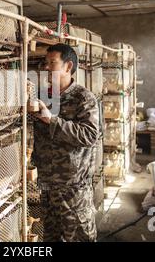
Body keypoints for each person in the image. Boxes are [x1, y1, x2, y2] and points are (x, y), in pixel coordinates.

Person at [31, 43, 100, 242]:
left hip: (73, 190)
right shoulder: (44, 96)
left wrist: (51, 120)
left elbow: (89, 135)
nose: (46, 67)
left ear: (68, 66)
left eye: (52, 63)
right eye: (46, 63)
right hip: (47, 186)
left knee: (79, 237)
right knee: (51, 237)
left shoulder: (83, 98)